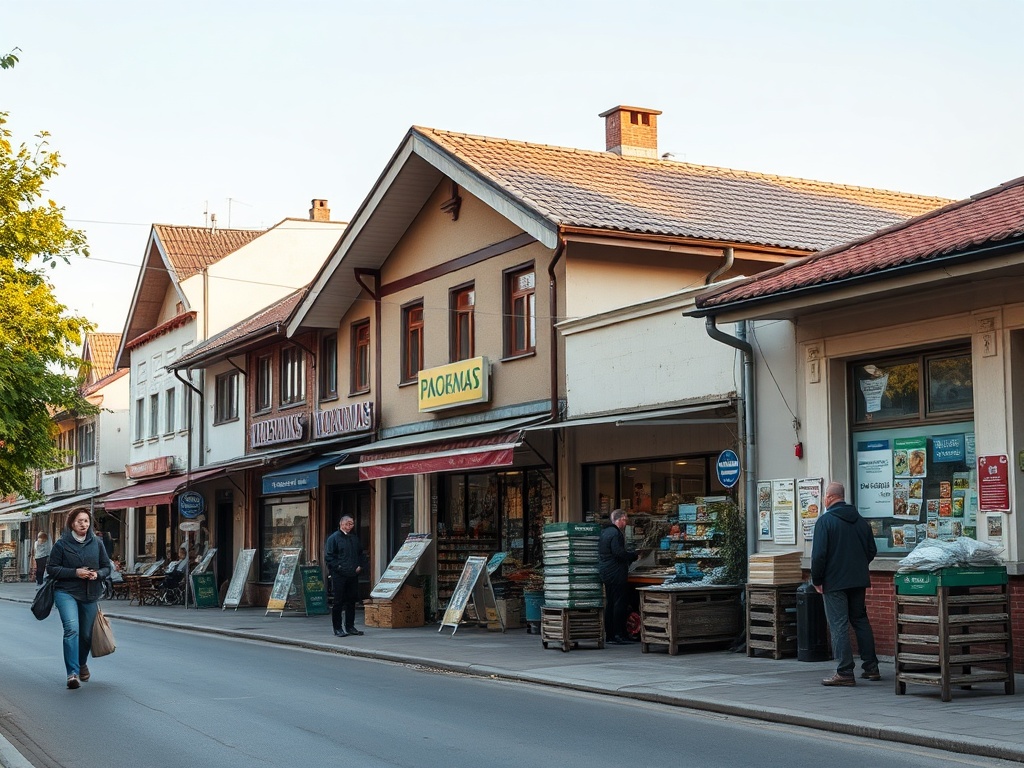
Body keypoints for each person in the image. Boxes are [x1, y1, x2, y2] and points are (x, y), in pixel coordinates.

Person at [810, 481, 880, 686]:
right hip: (858, 580)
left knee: (838, 624)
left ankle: (845, 672)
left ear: (830, 497)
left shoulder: (825, 521)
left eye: (825, 496)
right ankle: (871, 667)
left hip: (834, 582)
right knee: (860, 620)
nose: (824, 499)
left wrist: (817, 580)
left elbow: (819, 556)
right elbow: (872, 551)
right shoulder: (861, 521)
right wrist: (858, 566)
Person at [47, 507, 111, 690]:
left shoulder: (97, 543)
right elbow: (52, 569)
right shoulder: (62, 544)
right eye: (79, 521)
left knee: (86, 635)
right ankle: (72, 674)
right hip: (66, 592)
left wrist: (97, 575)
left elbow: (107, 567)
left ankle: (82, 663)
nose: (83, 524)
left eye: (86, 521)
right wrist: (75, 572)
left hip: (90, 594)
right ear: (71, 524)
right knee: (72, 630)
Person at [598, 508, 638, 645]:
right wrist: (633, 555)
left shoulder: (605, 532)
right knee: (619, 604)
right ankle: (618, 634)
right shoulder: (616, 534)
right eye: (625, 520)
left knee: (610, 603)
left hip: (606, 573)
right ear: (620, 519)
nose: (626, 523)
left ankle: (609, 634)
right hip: (616, 573)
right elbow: (618, 552)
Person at [325, 515, 368, 638]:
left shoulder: (354, 538)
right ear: (341, 524)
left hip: (353, 574)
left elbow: (361, 554)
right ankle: (337, 628)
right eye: (347, 524)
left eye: (352, 524)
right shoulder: (333, 538)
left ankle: (350, 626)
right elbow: (329, 557)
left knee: (351, 601)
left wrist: (360, 566)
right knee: (338, 602)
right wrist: (339, 568)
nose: (350, 526)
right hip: (339, 575)